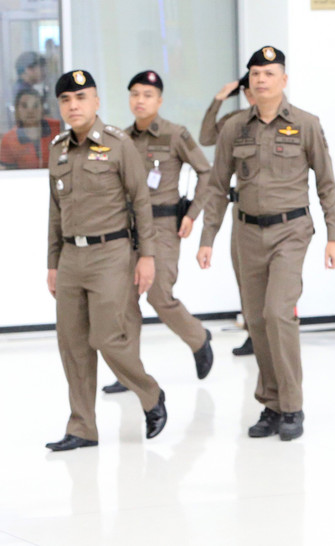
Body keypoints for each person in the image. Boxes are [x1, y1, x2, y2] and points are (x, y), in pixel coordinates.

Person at [197, 46, 335, 441]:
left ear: (284, 79)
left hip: (291, 231)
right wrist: (206, 237)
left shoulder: (306, 124)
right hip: (245, 232)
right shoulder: (233, 128)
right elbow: (216, 186)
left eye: (269, 73)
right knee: (257, 320)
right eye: (255, 73)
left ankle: (292, 405)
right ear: (250, 81)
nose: (261, 79)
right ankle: (271, 404)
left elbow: (326, 183)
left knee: (279, 313)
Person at [45, 70, 167, 451]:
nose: (73, 106)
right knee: (72, 344)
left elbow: (141, 202)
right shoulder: (58, 148)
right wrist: (52, 262)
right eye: (66, 100)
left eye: (81, 98)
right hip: (70, 258)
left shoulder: (118, 144)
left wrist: (146, 256)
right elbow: (54, 210)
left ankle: (151, 394)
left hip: (111, 254)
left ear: (96, 102)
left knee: (106, 337)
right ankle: (82, 427)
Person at [101, 70, 215, 394]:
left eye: (147, 95)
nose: (140, 100)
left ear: (159, 100)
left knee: (158, 295)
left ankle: (197, 337)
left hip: (163, 226)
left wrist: (192, 214)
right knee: (125, 300)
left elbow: (207, 173)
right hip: (127, 228)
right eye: (135, 94)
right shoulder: (120, 139)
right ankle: (129, 373)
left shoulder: (175, 134)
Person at [199, 71, 256, 356]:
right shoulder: (235, 124)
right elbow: (206, 136)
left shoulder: (290, 123)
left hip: (276, 214)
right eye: (247, 88)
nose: (253, 92)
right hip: (242, 212)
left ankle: (271, 334)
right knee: (244, 276)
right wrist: (219, 98)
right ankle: (253, 333)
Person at [0, 89, 60, 169]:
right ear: (17, 110)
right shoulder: (9, 139)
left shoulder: (58, 128)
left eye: (35, 106)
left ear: (42, 108)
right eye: (24, 106)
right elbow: (8, 174)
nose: (30, 111)